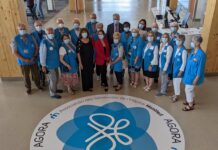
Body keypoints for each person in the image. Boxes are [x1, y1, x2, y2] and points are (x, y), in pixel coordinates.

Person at [11, 23, 42, 95]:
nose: (22, 30)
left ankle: (38, 85)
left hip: (33, 60)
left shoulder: (31, 36)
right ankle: (28, 88)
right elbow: (14, 52)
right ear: (18, 30)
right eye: (20, 29)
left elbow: (37, 47)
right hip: (23, 62)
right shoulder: (15, 39)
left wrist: (34, 56)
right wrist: (24, 59)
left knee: (36, 74)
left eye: (24, 29)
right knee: (26, 76)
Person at [182, 36, 206, 111]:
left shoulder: (201, 54)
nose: (191, 42)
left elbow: (200, 68)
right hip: (188, 74)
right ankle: (192, 100)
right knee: (190, 89)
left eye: (193, 41)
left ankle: (190, 105)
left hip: (194, 76)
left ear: (198, 42)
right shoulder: (193, 51)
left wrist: (197, 78)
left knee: (188, 89)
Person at [40, 27, 63, 99]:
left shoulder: (54, 40)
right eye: (49, 33)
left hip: (55, 63)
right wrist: (43, 65)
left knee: (56, 77)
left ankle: (55, 89)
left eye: (52, 32)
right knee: (52, 79)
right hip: (49, 65)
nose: (50, 34)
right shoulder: (44, 42)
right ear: (46, 33)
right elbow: (42, 54)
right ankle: (52, 93)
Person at [171, 34, 187, 102]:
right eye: (177, 40)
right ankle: (175, 94)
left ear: (183, 41)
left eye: (179, 40)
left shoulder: (184, 50)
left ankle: (176, 96)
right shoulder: (176, 47)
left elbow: (184, 62)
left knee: (176, 83)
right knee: (174, 82)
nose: (177, 41)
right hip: (175, 68)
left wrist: (181, 71)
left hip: (179, 69)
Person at [31, 20, 46, 87]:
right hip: (36, 54)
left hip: (43, 53)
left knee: (43, 67)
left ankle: (43, 80)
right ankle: (39, 81)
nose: (38, 26)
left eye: (40, 25)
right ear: (34, 26)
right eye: (37, 25)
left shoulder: (44, 32)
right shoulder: (32, 35)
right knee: (38, 69)